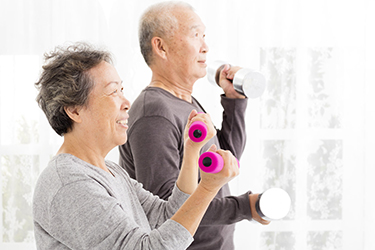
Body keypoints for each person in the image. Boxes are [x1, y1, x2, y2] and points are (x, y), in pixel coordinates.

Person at [32, 42, 240, 250]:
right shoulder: (70, 183)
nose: (126, 102)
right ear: (75, 111)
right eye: (113, 92)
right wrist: (207, 188)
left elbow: (166, 216)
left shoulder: (111, 172)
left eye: (121, 89)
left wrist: (191, 150)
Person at [119, 1, 270, 250]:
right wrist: (245, 207)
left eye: (204, 36)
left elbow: (226, 159)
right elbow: (168, 208)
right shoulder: (154, 113)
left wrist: (234, 100)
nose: (205, 47)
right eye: (195, 35)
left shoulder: (184, 102)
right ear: (161, 47)